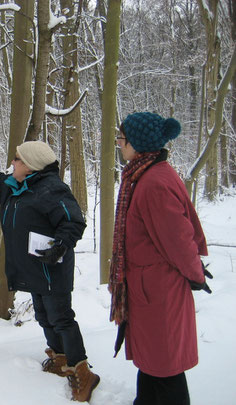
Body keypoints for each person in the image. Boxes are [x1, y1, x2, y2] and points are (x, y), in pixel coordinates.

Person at [0, 141, 100, 402]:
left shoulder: (52, 190)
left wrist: (60, 246)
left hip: (52, 268)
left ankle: (82, 371)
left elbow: (73, 221)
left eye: (17, 159)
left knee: (61, 318)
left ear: (30, 165)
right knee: (43, 316)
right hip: (34, 269)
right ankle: (61, 358)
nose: (13, 162)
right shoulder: (15, 187)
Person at [110, 112, 212, 405]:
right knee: (152, 359)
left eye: (122, 138)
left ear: (137, 143)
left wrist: (196, 274)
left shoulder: (153, 182)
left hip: (159, 289)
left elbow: (178, 239)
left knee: (165, 365)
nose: (119, 143)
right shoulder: (143, 174)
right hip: (148, 288)